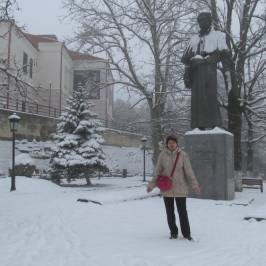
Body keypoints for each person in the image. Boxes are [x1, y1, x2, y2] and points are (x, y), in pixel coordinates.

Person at [181, 12, 231, 129]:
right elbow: (186, 59)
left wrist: (212, 58)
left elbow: (225, 54)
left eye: (204, 20)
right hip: (196, 72)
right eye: (200, 21)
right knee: (197, 99)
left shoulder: (218, 36)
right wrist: (186, 75)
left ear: (209, 21)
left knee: (210, 97)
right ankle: (198, 125)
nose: (202, 23)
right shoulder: (194, 39)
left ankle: (215, 124)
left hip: (209, 71)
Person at [147, 135, 201, 240]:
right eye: (169, 142)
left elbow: (189, 172)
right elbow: (157, 172)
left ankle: (186, 234)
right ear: (167, 144)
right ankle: (173, 232)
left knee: (182, 212)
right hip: (167, 189)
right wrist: (151, 185)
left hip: (180, 188)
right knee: (170, 212)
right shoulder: (162, 155)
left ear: (177, 144)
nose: (171, 144)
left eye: (173, 142)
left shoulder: (183, 155)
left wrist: (195, 186)